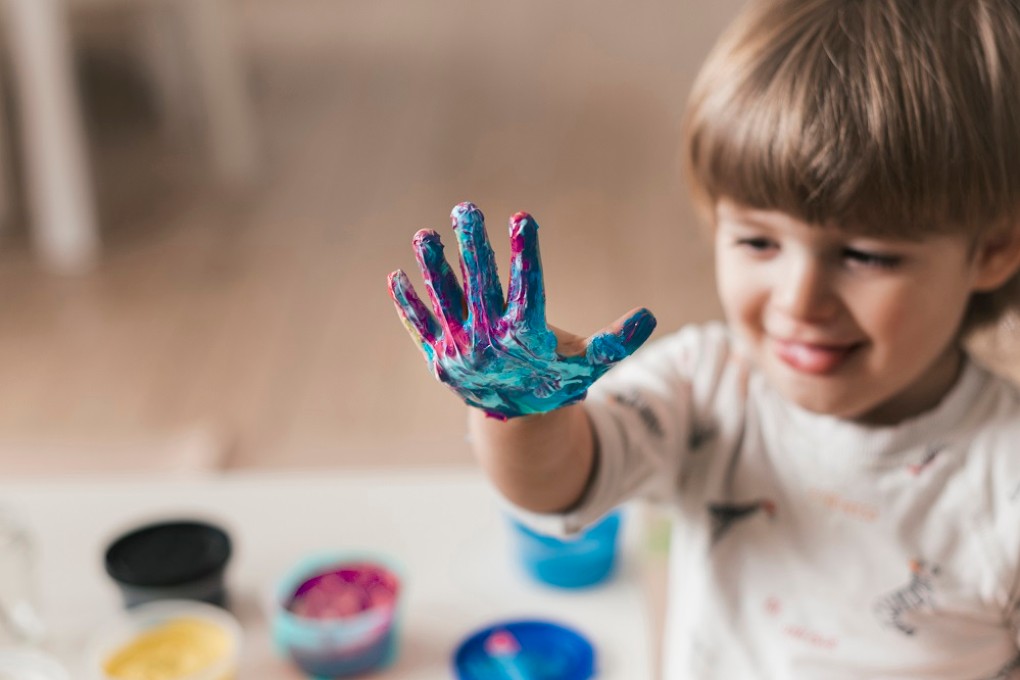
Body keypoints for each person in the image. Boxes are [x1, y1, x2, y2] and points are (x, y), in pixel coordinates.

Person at [387, 0, 1020, 676]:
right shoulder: (705, 385)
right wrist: (518, 409)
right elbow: (561, 484)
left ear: (992, 249)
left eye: (865, 255)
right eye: (756, 241)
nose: (798, 300)